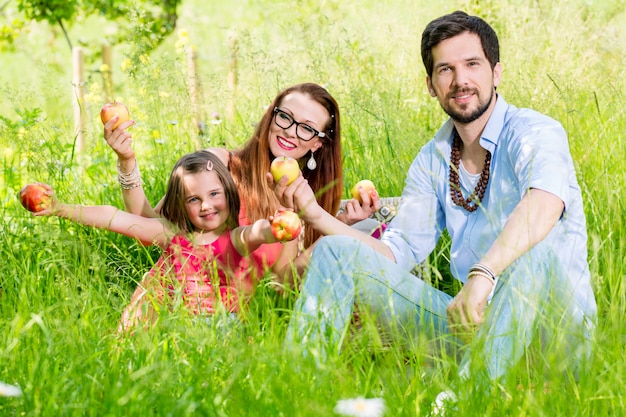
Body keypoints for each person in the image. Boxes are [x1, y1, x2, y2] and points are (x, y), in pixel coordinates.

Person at [278, 10, 597, 400]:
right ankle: (294, 395)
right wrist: (315, 215)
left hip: (553, 338)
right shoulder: (431, 161)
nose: (460, 80)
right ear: (430, 85)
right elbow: (396, 252)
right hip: (471, 326)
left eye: (472, 64)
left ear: (496, 72)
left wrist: (484, 273)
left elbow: (545, 203)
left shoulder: (535, 132)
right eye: (445, 69)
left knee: (537, 246)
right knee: (333, 252)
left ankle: (465, 400)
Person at [103, 83, 380, 286]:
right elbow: (146, 228)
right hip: (188, 305)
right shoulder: (219, 165)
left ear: (318, 143)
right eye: (285, 117)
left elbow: (284, 283)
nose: (289, 131)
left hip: (241, 320)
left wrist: (340, 225)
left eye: (306, 128)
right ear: (271, 116)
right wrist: (127, 162)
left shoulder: (305, 198)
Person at [34, 150, 295, 331]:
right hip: (177, 326)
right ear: (181, 204)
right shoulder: (172, 236)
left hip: (222, 325)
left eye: (214, 194)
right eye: (194, 199)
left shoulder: (237, 238)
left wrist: (279, 225)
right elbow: (113, 217)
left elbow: (260, 231)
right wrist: (60, 208)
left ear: (228, 192)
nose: (206, 205)